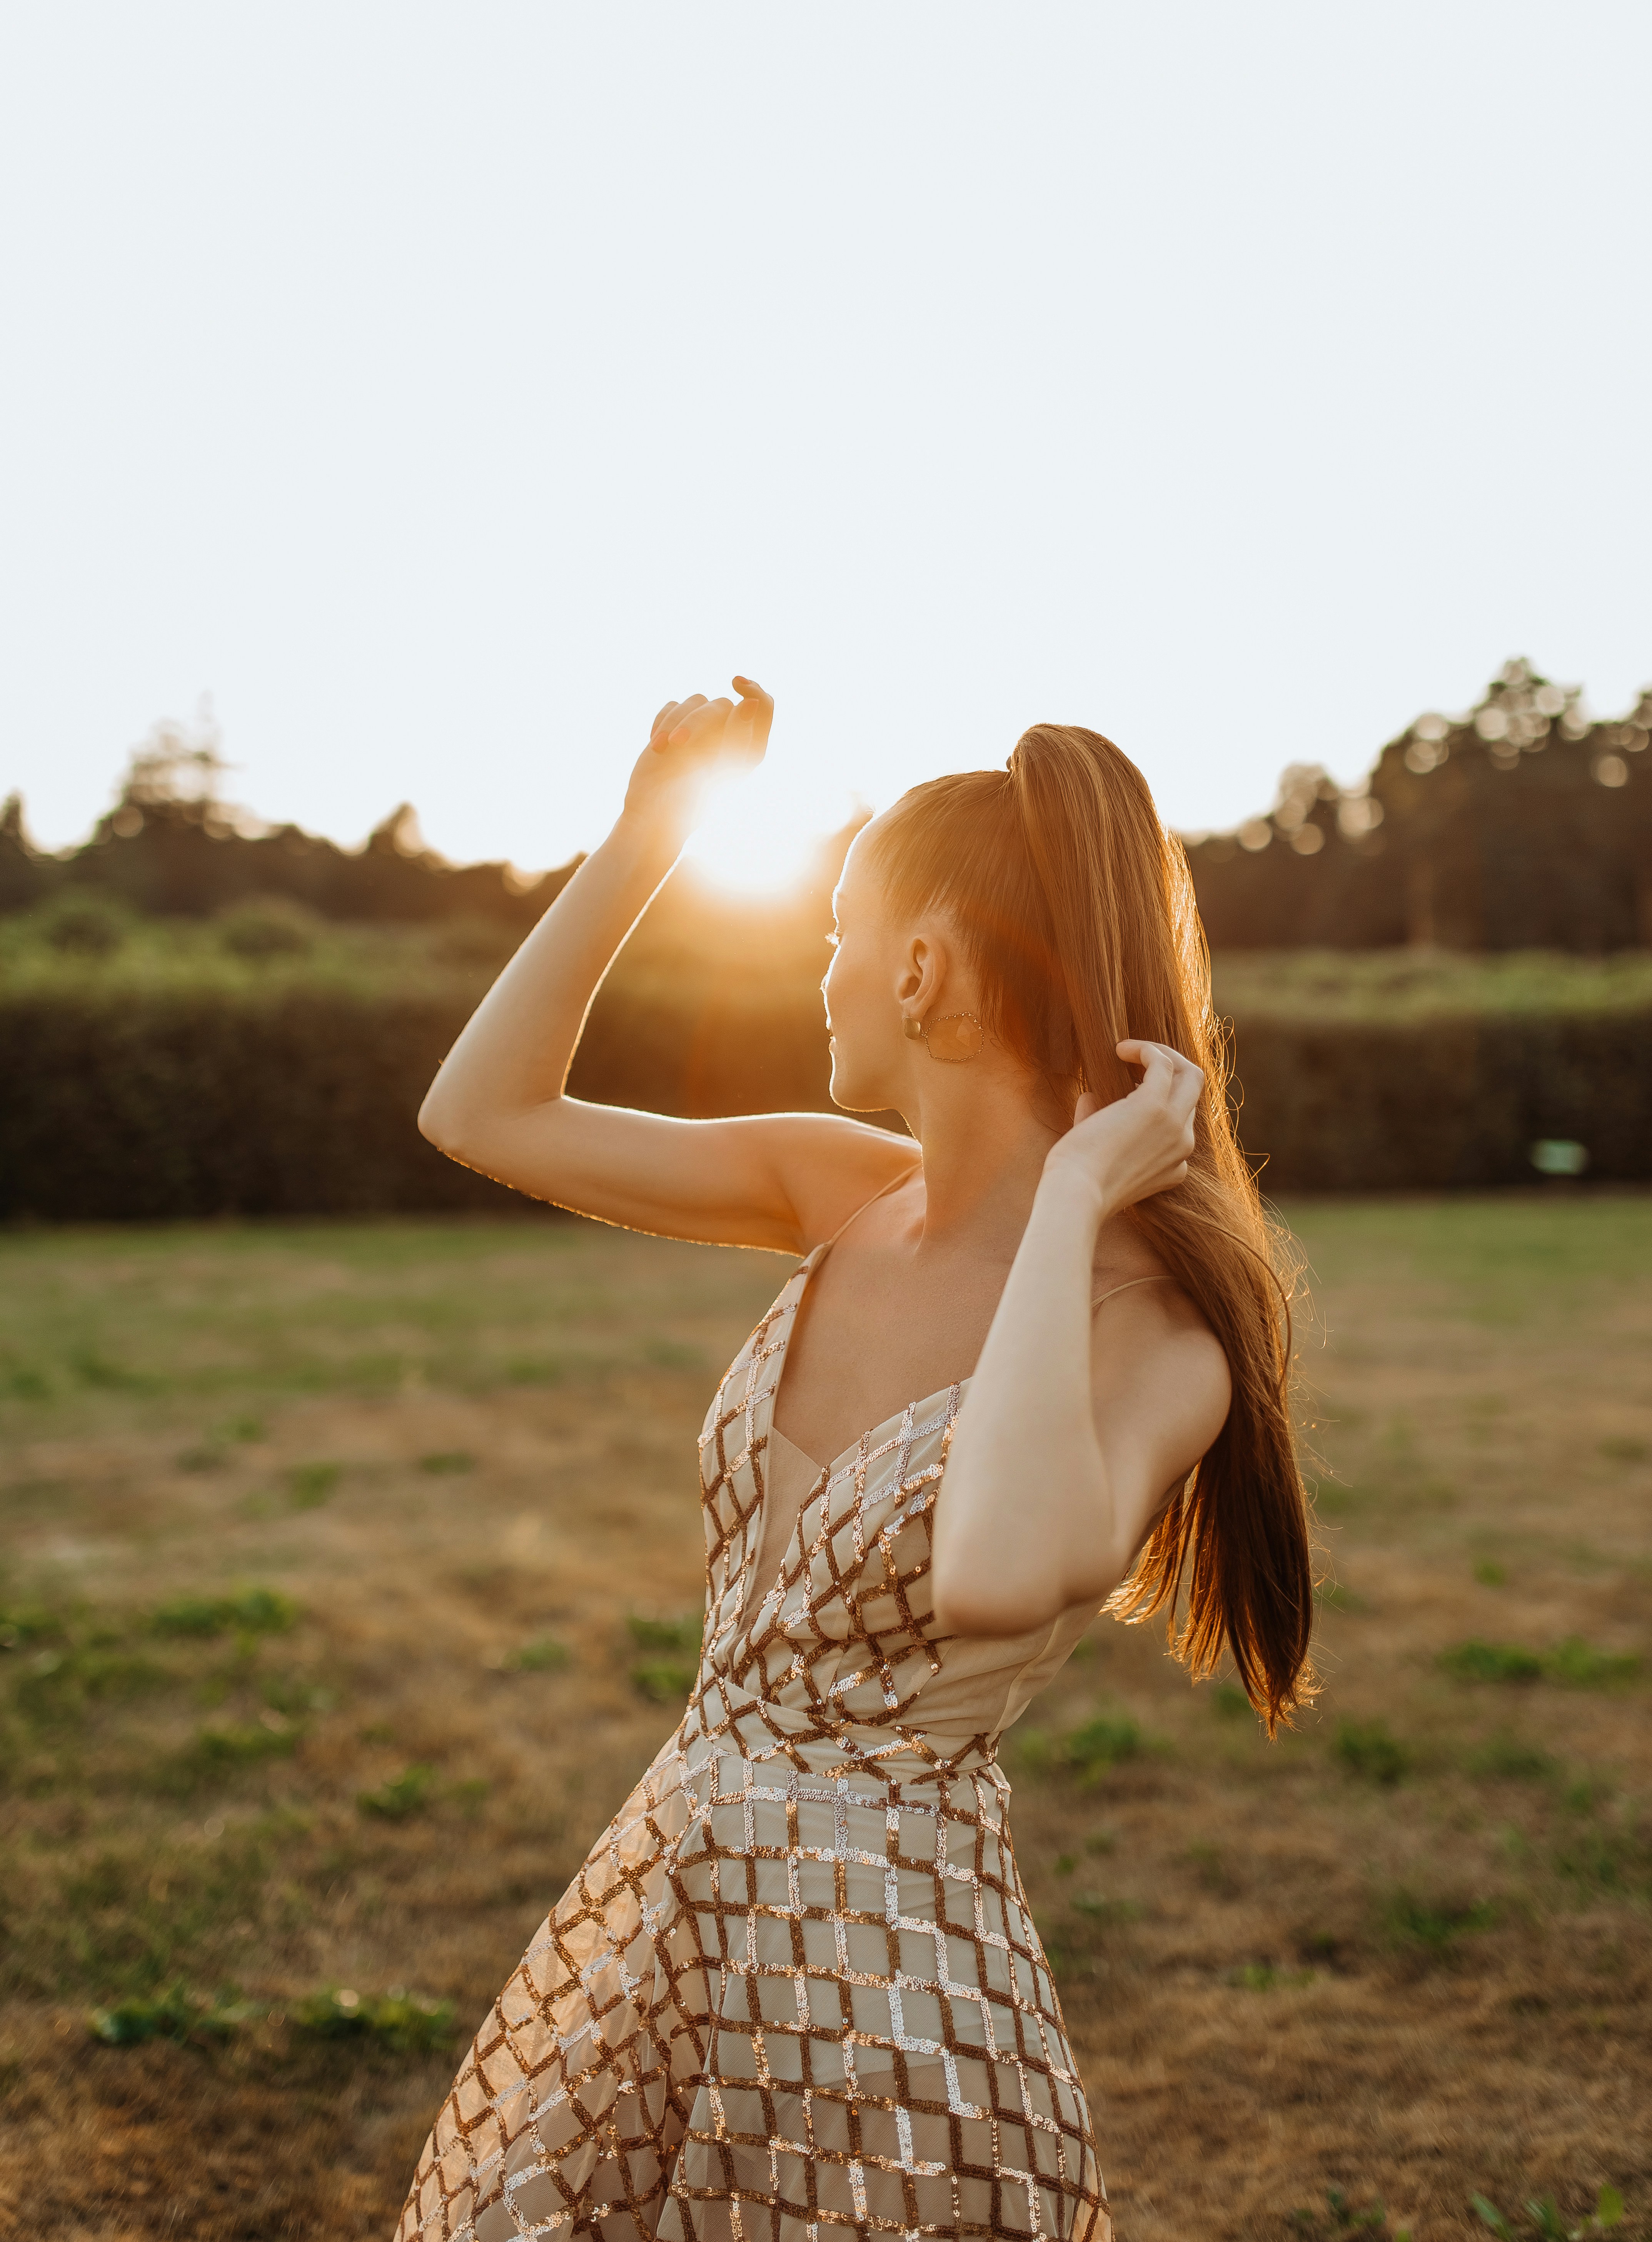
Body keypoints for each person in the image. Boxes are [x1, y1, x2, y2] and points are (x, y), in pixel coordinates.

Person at [394, 678, 1315, 2242]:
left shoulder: (1162, 1346)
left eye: (833, 939)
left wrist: (1084, 1193)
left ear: (919, 968)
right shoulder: (838, 1191)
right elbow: (481, 1110)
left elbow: (999, 1566)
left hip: (888, 1994)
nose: (820, 979)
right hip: (668, 1909)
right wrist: (646, 838)